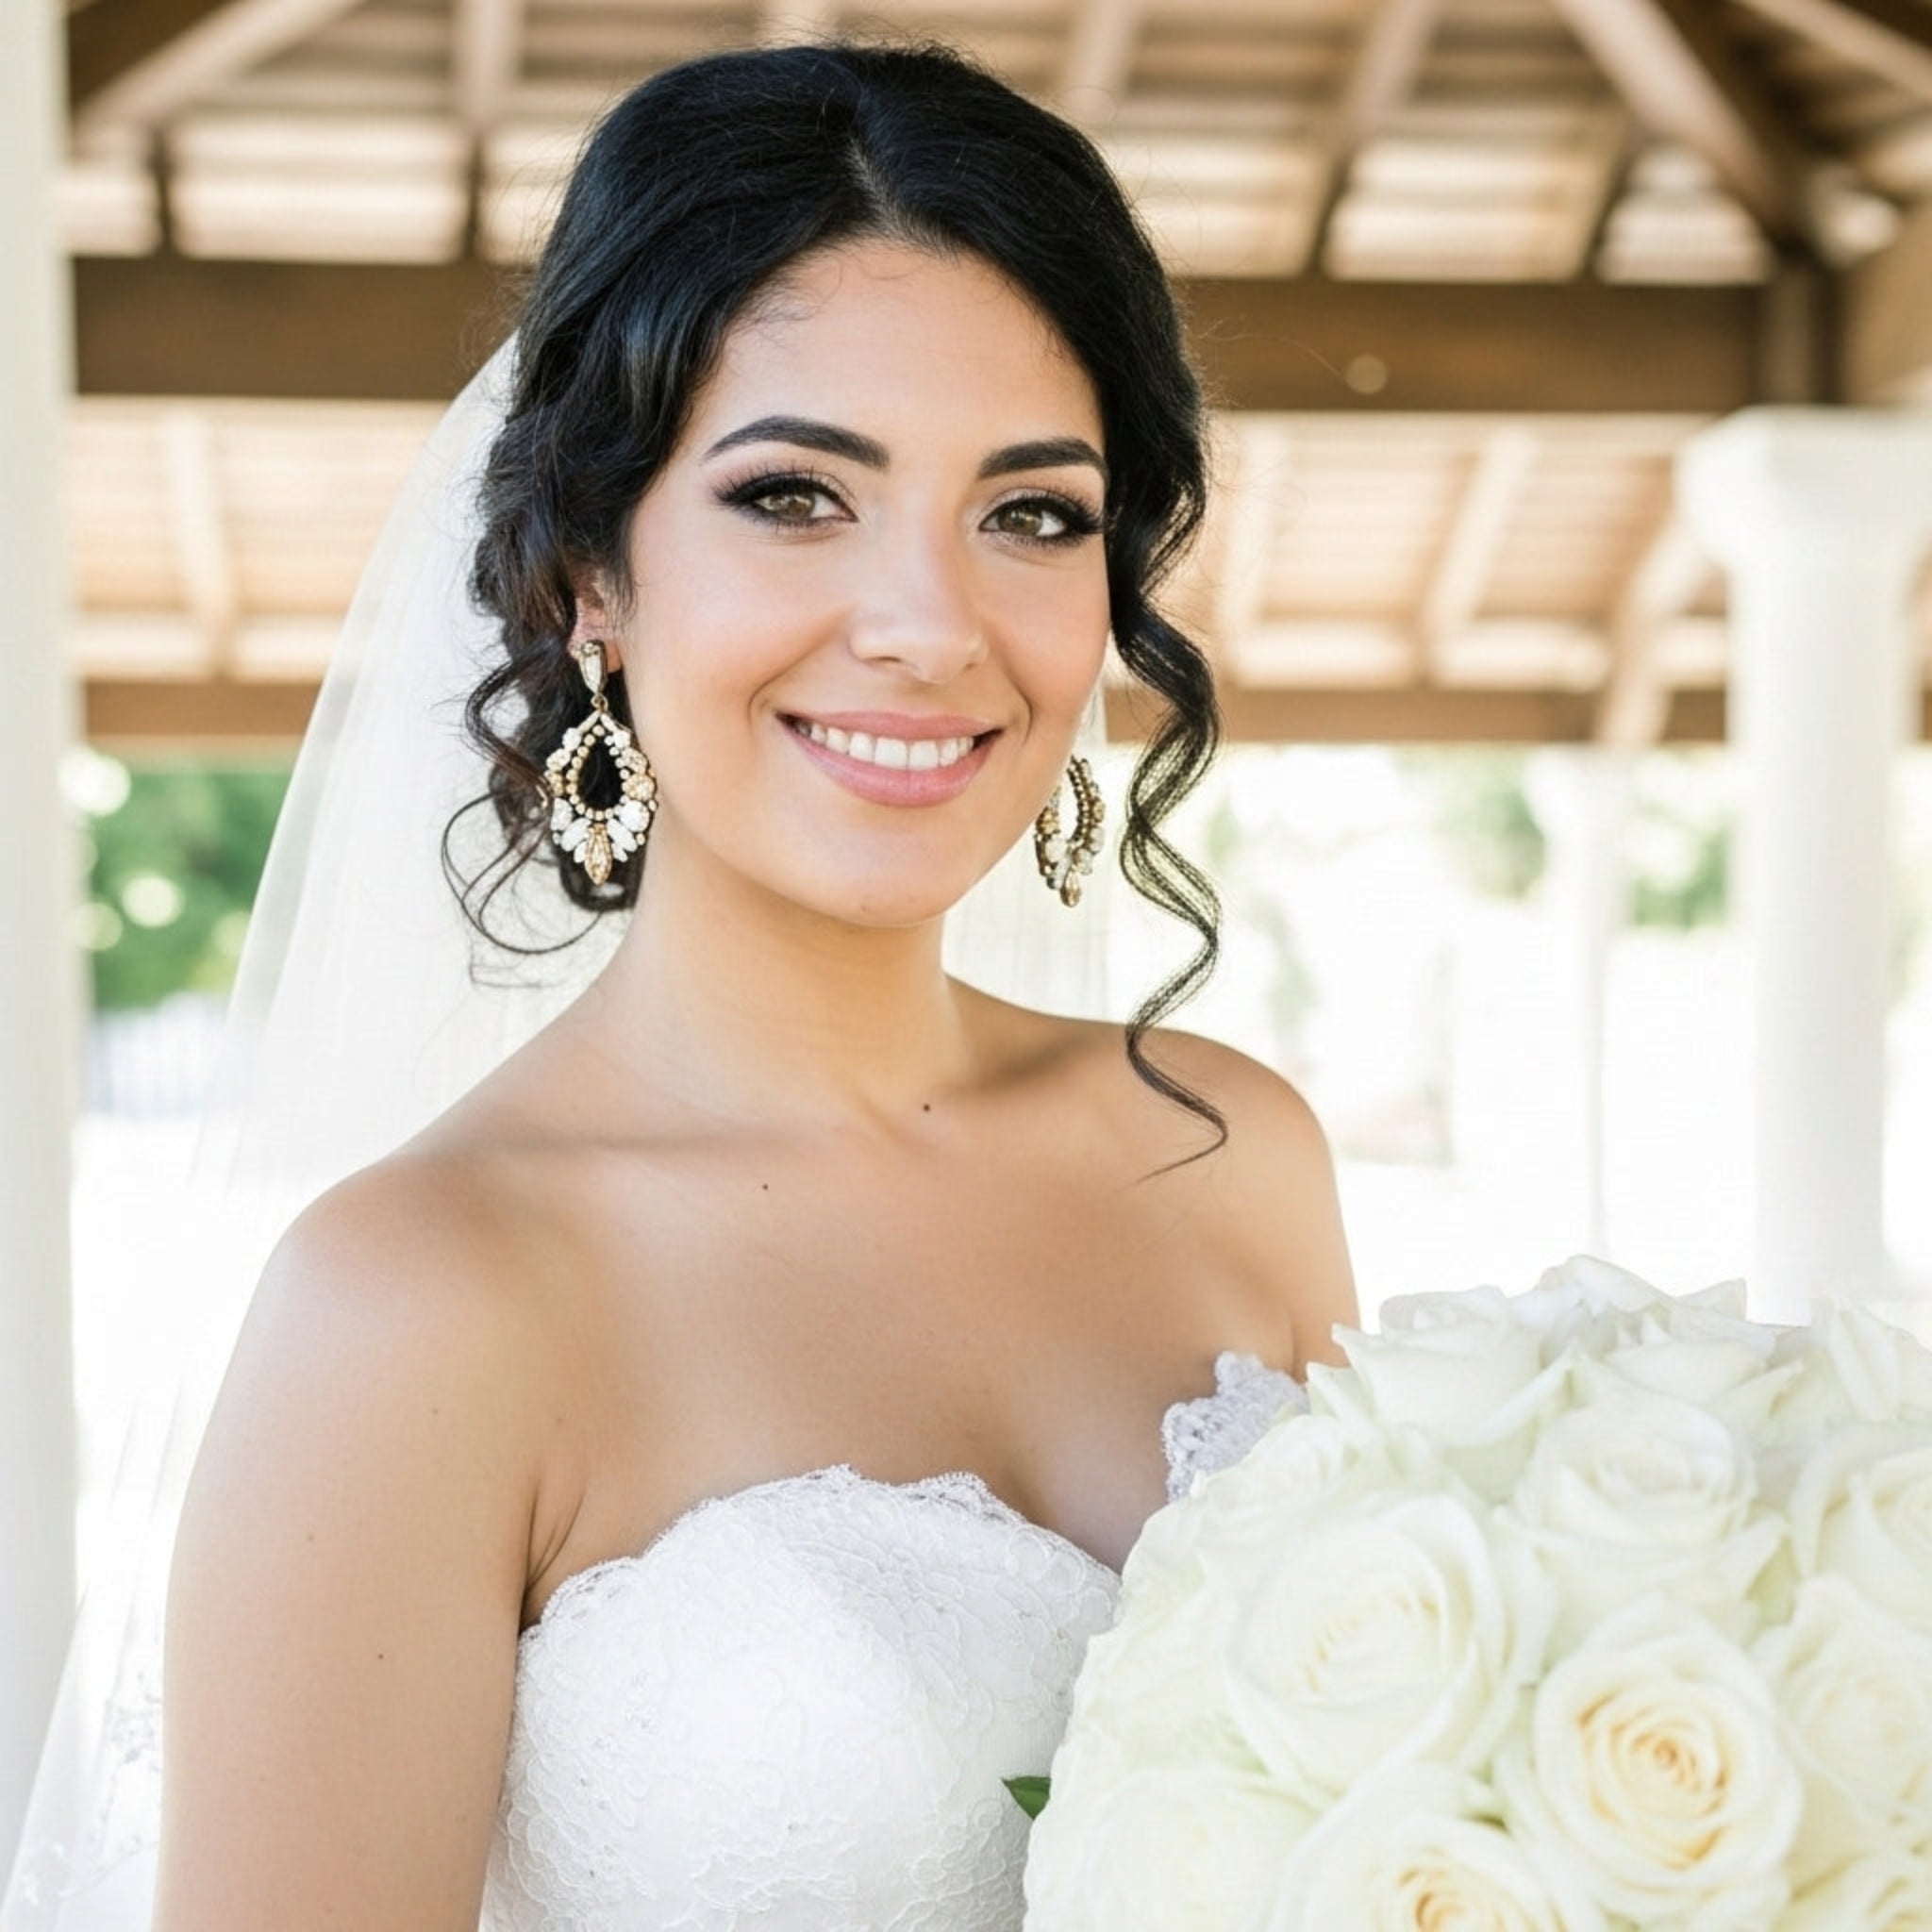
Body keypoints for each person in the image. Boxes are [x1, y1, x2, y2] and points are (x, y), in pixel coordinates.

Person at [17, 38, 1357, 1932]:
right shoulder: (417, 1301)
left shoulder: (1232, 1152)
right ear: (589, 577)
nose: (925, 625)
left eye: (1032, 512)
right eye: (797, 496)